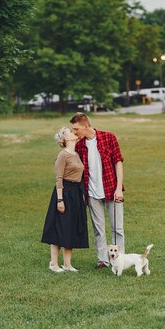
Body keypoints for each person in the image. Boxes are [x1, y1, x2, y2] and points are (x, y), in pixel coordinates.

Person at [70, 112, 124, 269]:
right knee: (98, 229)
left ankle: (119, 260)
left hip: (112, 189)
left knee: (117, 228)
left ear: (86, 126)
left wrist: (119, 188)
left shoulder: (108, 138)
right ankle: (103, 260)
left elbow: (118, 162)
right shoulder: (79, 146)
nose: (74, 132)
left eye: (76, 129)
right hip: (91, 193)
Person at [41, 127, 89, 272]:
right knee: (59, 228)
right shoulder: (62, 155)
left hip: (75, 193)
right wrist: (60, 200)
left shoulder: (76, 154)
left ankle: (67, 264)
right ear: (66, 138)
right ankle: (54, 264)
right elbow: (59, 178)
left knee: (71, 228)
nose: (73, 132)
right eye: (69, 131)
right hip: (64, 193)